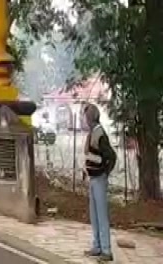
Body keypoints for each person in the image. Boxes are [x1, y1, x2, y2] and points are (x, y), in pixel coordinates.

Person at [82, 103, 116, 262]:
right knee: (94, 214)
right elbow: (91, 156)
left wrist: (105, 172)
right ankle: (97, 246)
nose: (84, 119)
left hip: (99, 179)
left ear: (90, 118)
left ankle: (106, 251)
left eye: (85, 116)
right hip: (93, 178)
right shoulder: (93, 133)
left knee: (101, 215)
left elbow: (111, 155)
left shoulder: (99, 134)